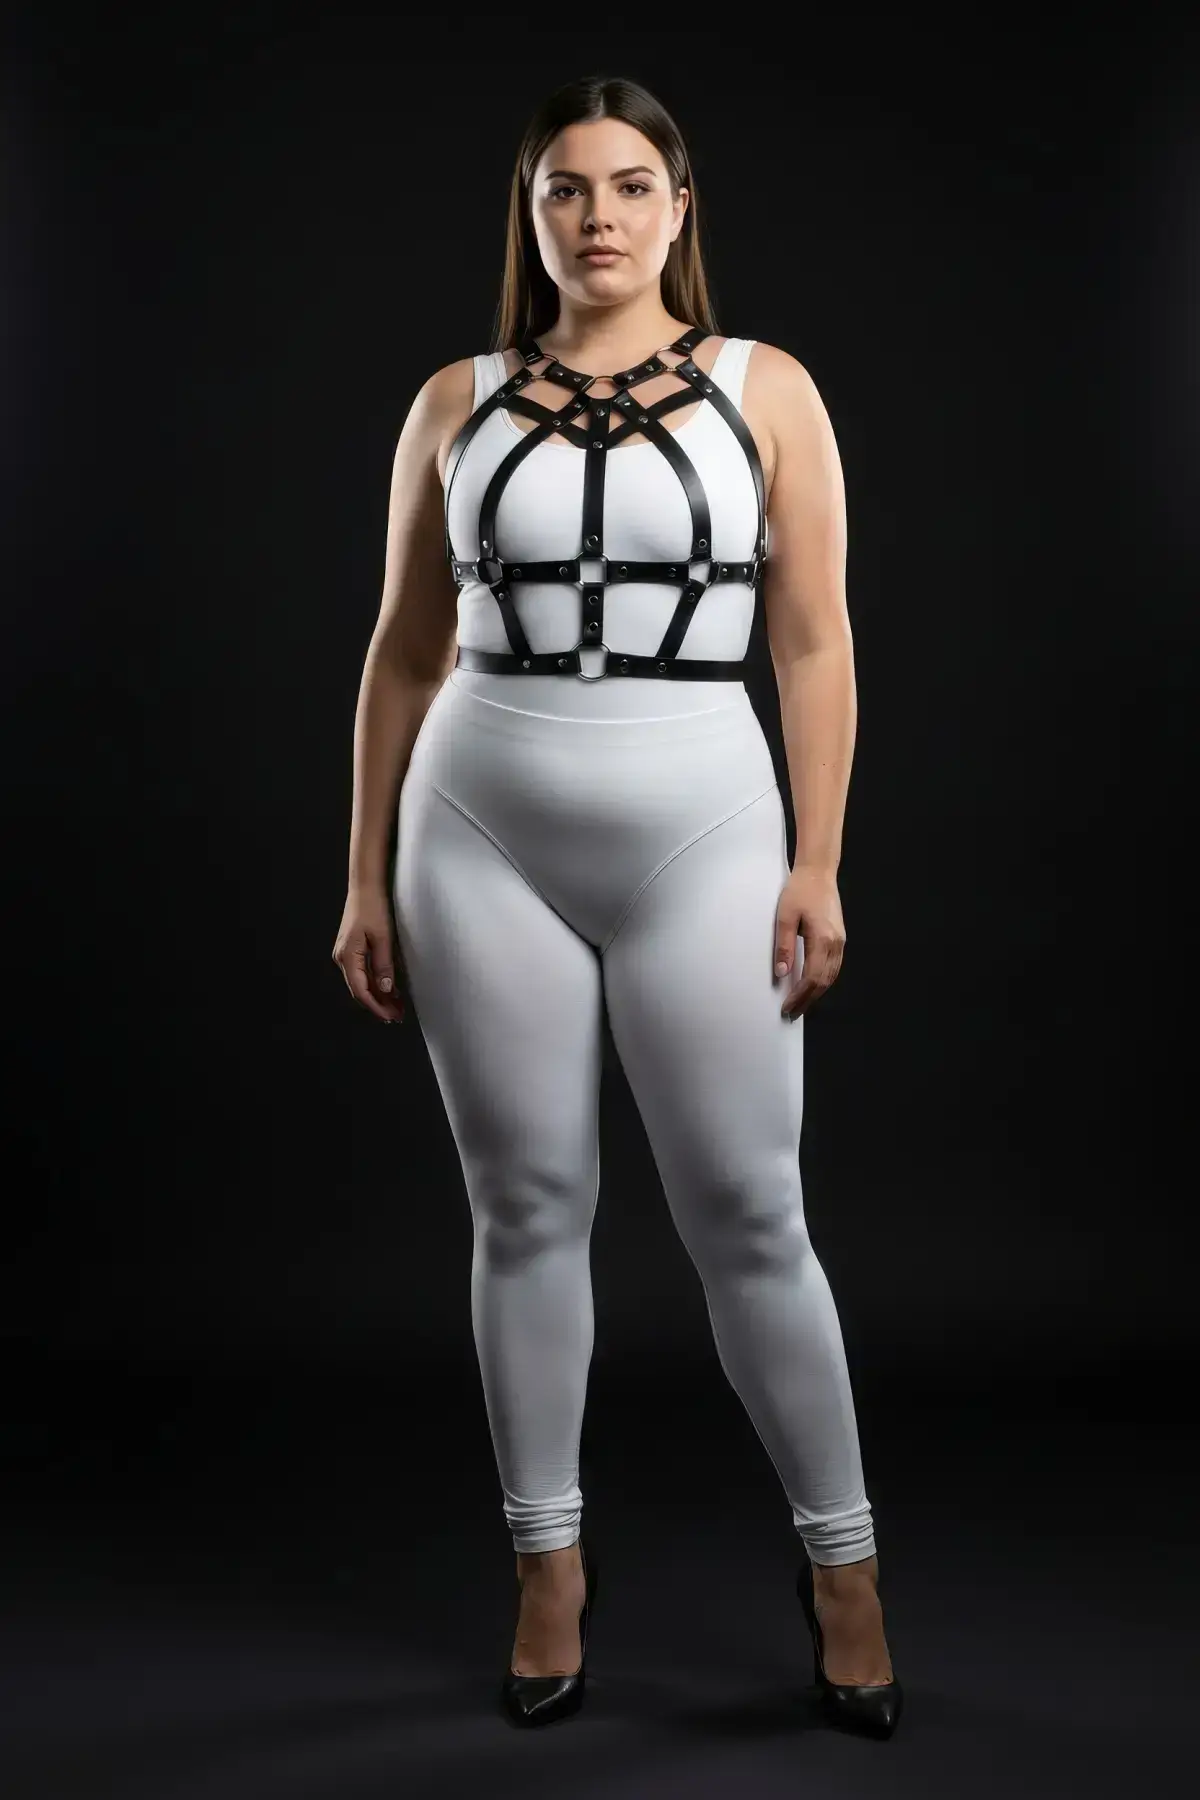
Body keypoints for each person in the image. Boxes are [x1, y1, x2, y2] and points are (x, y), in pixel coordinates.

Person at [332, 73, 902, 1738]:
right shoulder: (454, 400)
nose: (599, 217)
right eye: (566, 189)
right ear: (531, 217)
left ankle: (847, 1568)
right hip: (475, 821)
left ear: (679, 209)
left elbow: (814, 638)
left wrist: (817, 858)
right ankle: (548, 1566)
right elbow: (403, 650)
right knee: (524, 1206)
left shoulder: (765, 387)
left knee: (751, 1212)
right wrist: (361, 871)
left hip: (704, 818)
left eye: (631, 185)